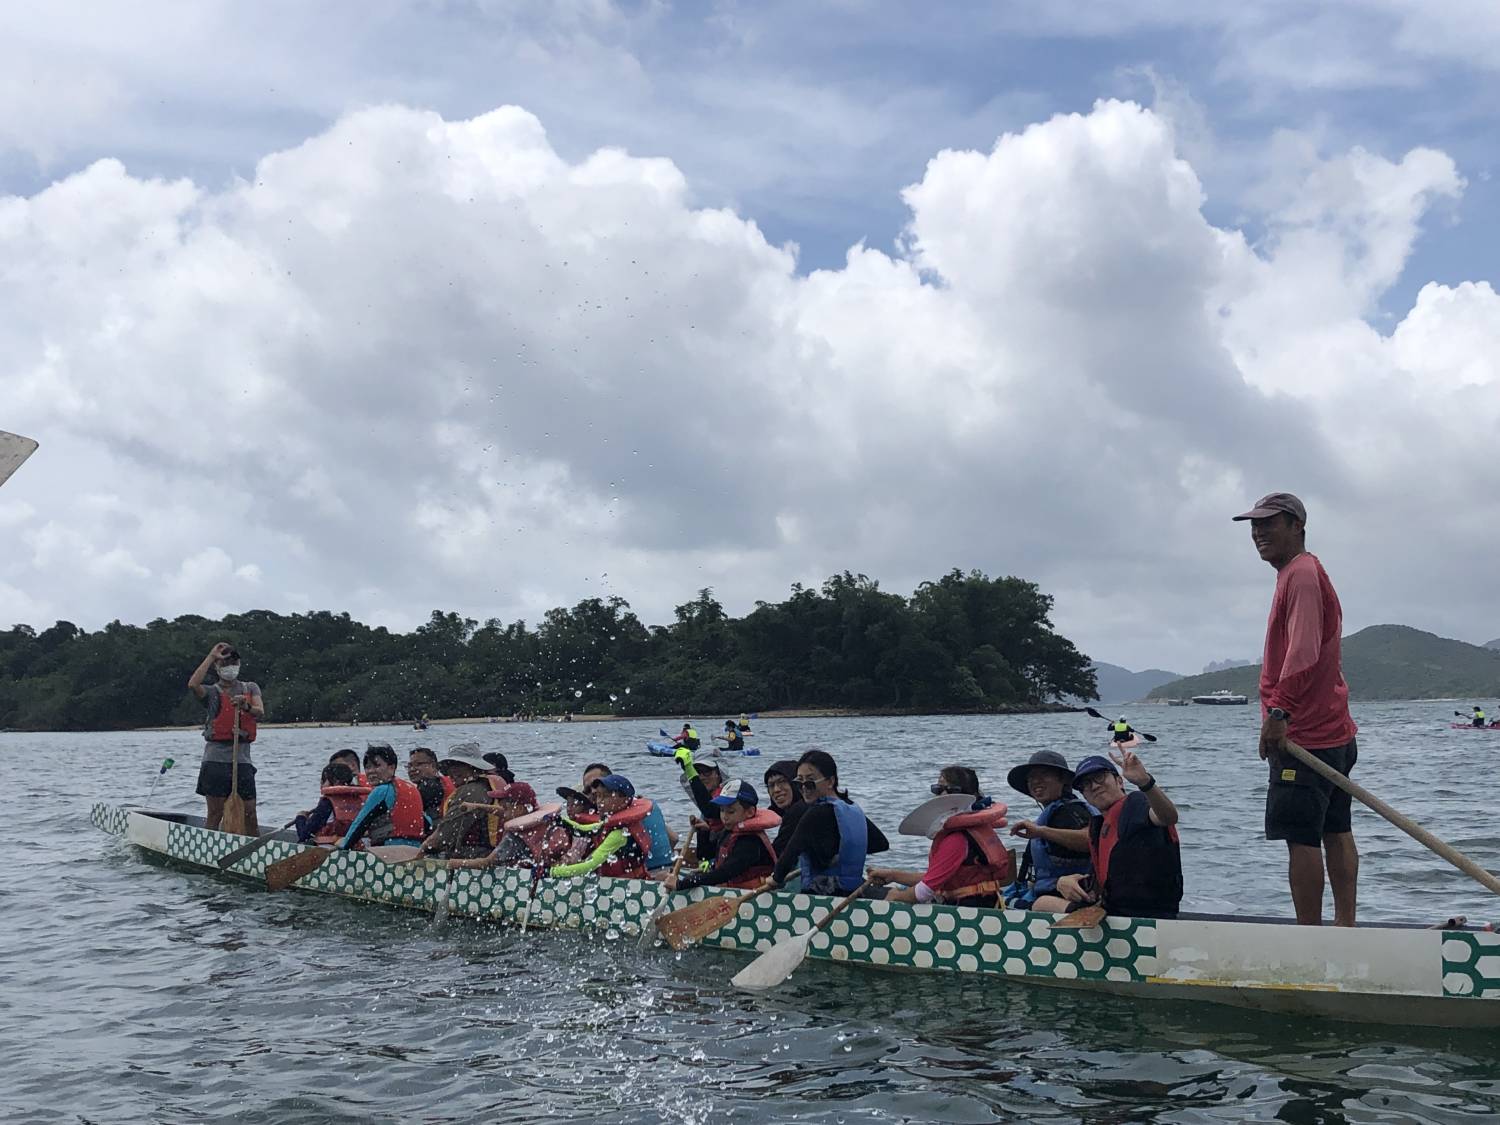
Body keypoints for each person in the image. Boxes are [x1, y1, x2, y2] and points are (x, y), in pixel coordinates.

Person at [1235, 491, 1360, 926]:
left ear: (1297, 527)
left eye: (1269, 523)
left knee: (1302, 838)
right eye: (1254, 525)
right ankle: (1345, 928)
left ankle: (1312, 936)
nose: (1258, 533)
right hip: (1335, 733)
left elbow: (1303, 652)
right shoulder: (1296, 573)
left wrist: (1278, 715)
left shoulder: (1302, 573)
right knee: (1335, 828)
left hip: (1304, 735)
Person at [1032, 750, 1181, 920]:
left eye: (1100, 778)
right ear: (1084, 796)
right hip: (1115, 913)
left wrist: (1146, 783)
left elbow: (1168, 817)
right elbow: (1105, 882)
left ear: (1119, 781)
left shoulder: (1136, 804)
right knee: (1042, 902)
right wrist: (1066, 882)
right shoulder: (1100, 826)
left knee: (1041, 904)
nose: (1094, 786)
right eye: (1086, 784)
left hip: (1146, 919)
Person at [868, 767, 1012, 907]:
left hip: (968, 911)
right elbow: (936, 878)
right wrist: (893, 875)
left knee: (893, 895)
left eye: (951, 790)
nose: (942, 794)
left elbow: (924, 892)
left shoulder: (956, 839)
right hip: (986, 903)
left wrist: (896, 896)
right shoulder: (975, 830)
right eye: (937, 789)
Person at [769, 749, 889, 895]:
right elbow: (880, 844)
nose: (804, 788)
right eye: (799, 782)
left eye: (810, 782)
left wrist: (774, 880)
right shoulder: (851, 807)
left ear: (830, 781)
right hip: (853, 891)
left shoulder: (815, 812)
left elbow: (790, 853)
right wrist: (840, 853)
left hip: (822, 894)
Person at [187, 642, 266, 834]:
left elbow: (260, 712)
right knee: (215, 813)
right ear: (218, 667)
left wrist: (245, 705)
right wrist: (211, 656)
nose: (230, 666)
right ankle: (208, 851)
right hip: (215, 760)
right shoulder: (213, 693)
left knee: (250, 813)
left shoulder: (250, 687)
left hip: (242, 761)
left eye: (233, 661)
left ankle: (253, 851)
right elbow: (193, 685)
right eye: (225, 662)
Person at [1003, 750, 1093, 908]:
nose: (1035, 781)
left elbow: (1090, 839)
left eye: (1044, 774)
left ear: (1063, 780)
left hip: (1069, 897)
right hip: (1053, 890)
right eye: (1031, 777)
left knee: (1024, 904)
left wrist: (1041, 831)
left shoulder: (1069, 812)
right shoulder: (1056, 811)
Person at [669, 779, 780, 891]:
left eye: (731, 812)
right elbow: (704, 855)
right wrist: (704, 832)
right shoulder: (729, 831)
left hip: (756, 894)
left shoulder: (750, 841)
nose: (724, 817)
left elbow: (724, 873)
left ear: (750, 812)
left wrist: (681, 885)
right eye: (722, 810)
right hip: (733, 888)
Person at [547, 775, 655, 880]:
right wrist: (559, 820)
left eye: (606, 796)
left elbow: (589, 866)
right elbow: (583, 829)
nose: (600, 802)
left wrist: (550, 872)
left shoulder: (621, 833)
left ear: (624, 799)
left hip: (629, 886)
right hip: (615, 883)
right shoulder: (611, 823)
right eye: (598, 796)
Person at [338, 744, 426, 850]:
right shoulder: (412, 788)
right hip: (415, 850)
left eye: (377, 766)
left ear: (391, 768)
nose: (370, 771)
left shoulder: (382, 791)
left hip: (389, 851)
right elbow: (426, 822)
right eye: (367, 767)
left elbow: (360, 824)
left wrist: (343, 848)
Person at [414, 748, 496, 858]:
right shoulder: (484, 786)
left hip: (475, 855)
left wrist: (420, 852)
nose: (452, 771)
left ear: (474, 769)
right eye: (450, 765)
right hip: (487, 852)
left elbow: (444, 836)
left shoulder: (470, 792)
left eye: (459, 765)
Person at [294, 762, 355, 843]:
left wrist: (300, 818)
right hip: (350, 845)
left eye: (323, 781)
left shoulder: (326, 803)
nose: (321, 785)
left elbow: (304, 835)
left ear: (335, 782)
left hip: (327, 849)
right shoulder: (357, 798)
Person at [762, 760, 808, 855]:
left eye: (782, 782)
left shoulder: (798, 812)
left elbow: (778, 853)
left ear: (796, 784)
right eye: (771, 785)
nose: (776, 790)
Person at [407, 747, 451, 822]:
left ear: (433, 766)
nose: (412, 769)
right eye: (409, 766)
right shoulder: (443, 782)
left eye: (418, 764)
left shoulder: (428, 786)